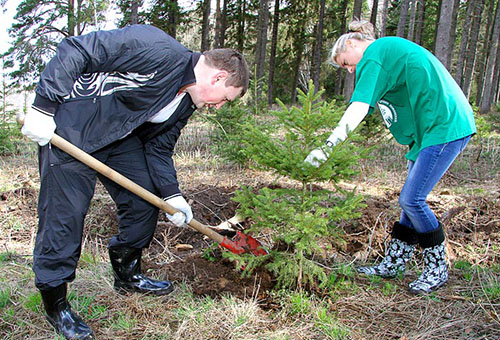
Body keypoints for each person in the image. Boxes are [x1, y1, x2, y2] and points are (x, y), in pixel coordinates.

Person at [21, 24, 249, 340]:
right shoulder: (156, 48)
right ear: (219, 77)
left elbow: (158, 147)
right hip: (71, 130)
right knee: (64, 218)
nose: (219, 106)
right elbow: (77, 49)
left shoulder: (186, 101)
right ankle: (56, 305)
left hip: (117, 139)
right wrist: (44, 108)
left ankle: (127, 275)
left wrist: (173, 195)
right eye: (225, 98)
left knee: (145, 201)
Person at [305, 20, 475, 295]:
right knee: (410, 200)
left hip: (444, 126)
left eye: (346, 63)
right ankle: (395, 262)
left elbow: (359, 107)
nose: (350, 70)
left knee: (411, 199)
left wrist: (327, 147)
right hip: (427, 132)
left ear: (351, 43)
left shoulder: (376, 52)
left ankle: (437, 267)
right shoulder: (387, 54)